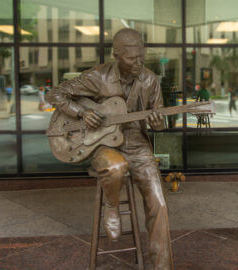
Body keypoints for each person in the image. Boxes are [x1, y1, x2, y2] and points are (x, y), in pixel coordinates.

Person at [47, 28, 173, 269]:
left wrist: (159, 125)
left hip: (137, 145)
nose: (138, 63)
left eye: (141, 56)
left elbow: (158, 120)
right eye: (131, 58)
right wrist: (82, 112)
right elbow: (56, 94)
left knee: (159, 204)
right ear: (116, 55)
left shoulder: (150, 80)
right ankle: (112, 206)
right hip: (103, 144)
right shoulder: (98, 76)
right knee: (115, 166)